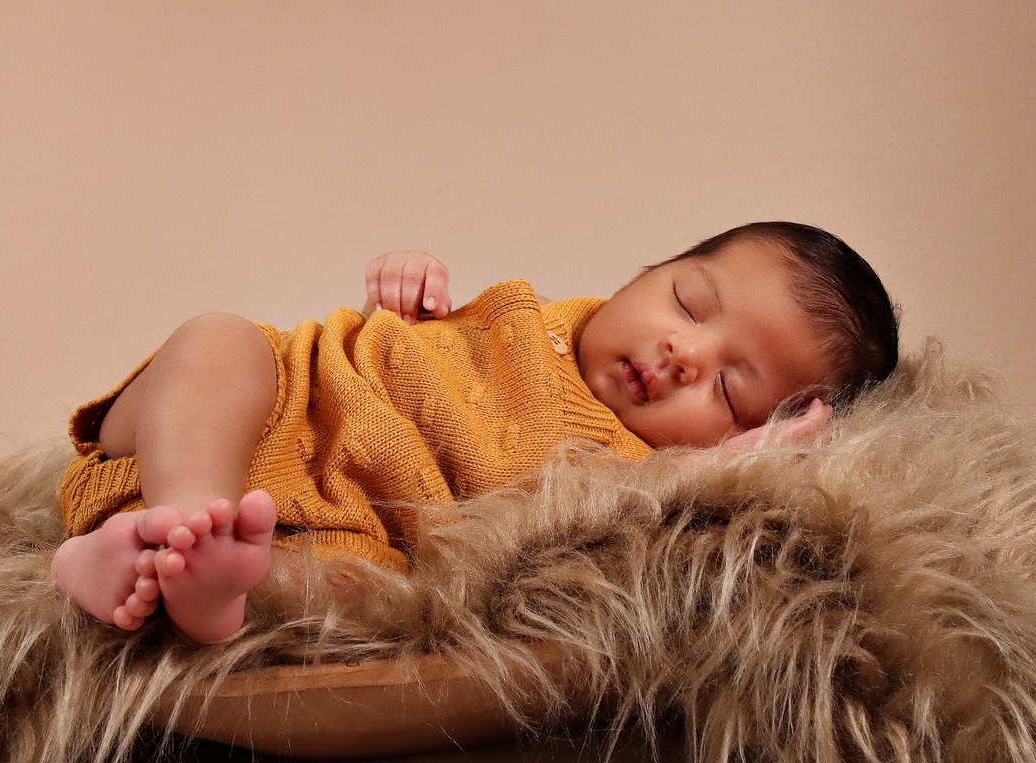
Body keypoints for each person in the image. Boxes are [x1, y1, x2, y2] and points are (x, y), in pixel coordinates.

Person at [51, 222, 899, 643]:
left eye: (729, 391)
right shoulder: (533, 315)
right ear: (647, 271)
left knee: (361, 599)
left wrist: (724, 473)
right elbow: (408, 344)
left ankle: (184, 575)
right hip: (270, 403)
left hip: (331, 526)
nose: (683, 355)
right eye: (688, 303)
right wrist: (408, 287)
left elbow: (578, 541)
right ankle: (182, 511)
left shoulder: (630, 470)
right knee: (218, 339)